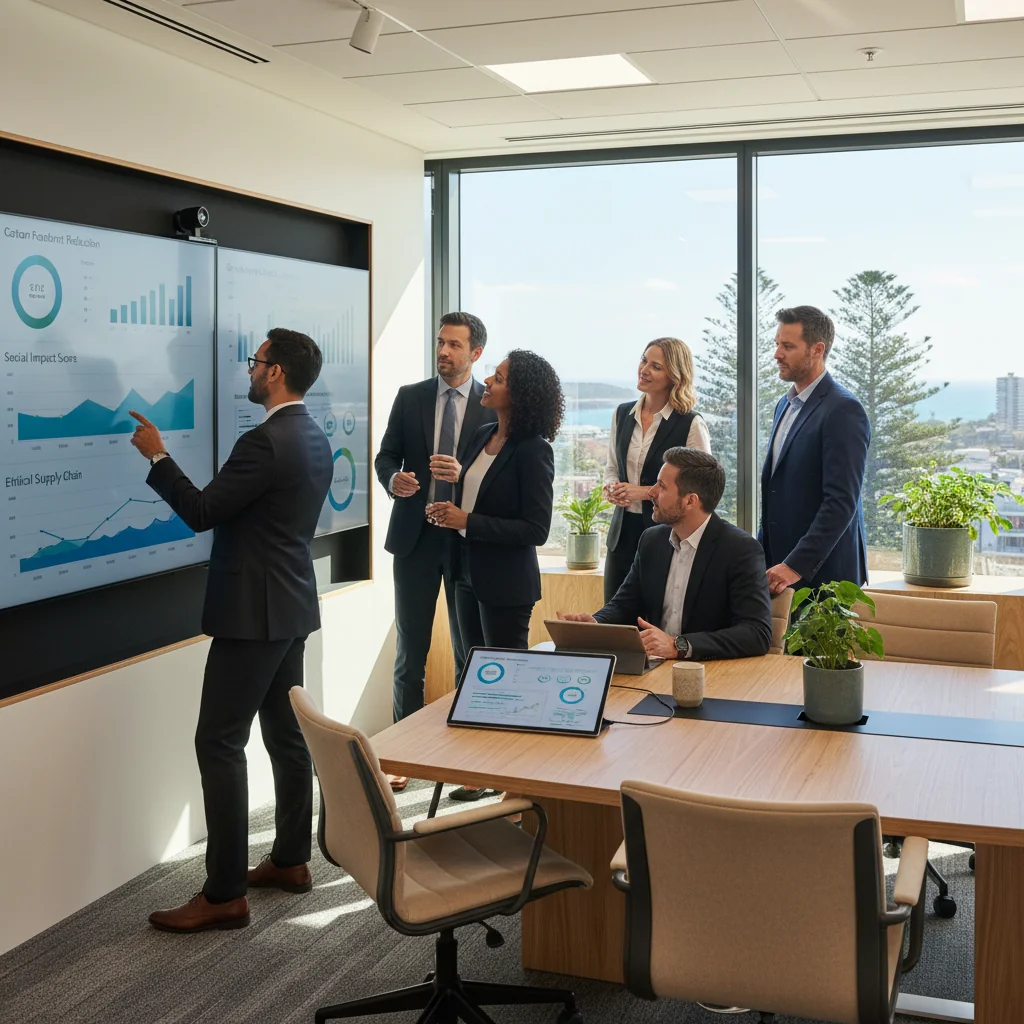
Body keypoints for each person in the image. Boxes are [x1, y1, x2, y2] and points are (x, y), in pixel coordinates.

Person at [129, 328, 333, 933]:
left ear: (274, 374)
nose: (249, 371)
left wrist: (158, 457)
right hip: (290, 607)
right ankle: (292, 861)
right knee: (286, 737)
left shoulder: (264, 441)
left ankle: (223, 894)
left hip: (252, 615)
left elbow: (201, 512)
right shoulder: (314, 436)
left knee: (219, 742)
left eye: (255, 363)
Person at [426, 350, 563, 800]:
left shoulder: (534, 450)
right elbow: (476, 497)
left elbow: (536, 529)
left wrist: (467, 521)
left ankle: (509, 778)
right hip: (465, 569)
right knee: (474, 672)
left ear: (519, 395)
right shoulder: (482, 434)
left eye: (498, 377)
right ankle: (481, 768)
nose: (487, 380)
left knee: (505, 682)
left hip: (505, 581)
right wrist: (447, 514)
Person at [374, 312, 496, 789]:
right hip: (415, 539)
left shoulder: (494, 404)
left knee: (472, 651)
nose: (443, 352)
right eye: (440, 343)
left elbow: (499, 472)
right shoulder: (411, 397)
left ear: (476, 353)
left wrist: (460, 475)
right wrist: (393, 479)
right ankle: (402, 755)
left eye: (454, 345)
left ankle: (471, 760)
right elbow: (386, 454)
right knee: (411, 651)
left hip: (467, 540)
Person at [559, 448, 771, 662]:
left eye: (661, 486)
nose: (650, 493)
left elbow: (756, 633)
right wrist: (595, 624)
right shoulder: (651, 540)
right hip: (656, 668)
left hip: (712, 670)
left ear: (690, 501)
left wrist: (679, 645)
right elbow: (625, 604)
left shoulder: (740, 549)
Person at [759, 305, 871, 596]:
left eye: (788, 346)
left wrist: (794, 566)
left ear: (817, 350)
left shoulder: (844, 410)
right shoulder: (784, 405)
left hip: (825, 578)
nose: (777, 354)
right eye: (777, 345)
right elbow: (776, 492)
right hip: (779, 573)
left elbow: (841, 502)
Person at [603, 338, 710, 603]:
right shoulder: (622, 414)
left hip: (666, 536)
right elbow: (612, 467)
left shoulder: (691, 423)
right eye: (643, 360)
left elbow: (701, 489)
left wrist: (643, 492)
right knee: (614, 619)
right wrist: (611, 487)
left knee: (654, 618)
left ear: (675, 375)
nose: (644, 369)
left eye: (656, 366)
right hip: (621, 535)